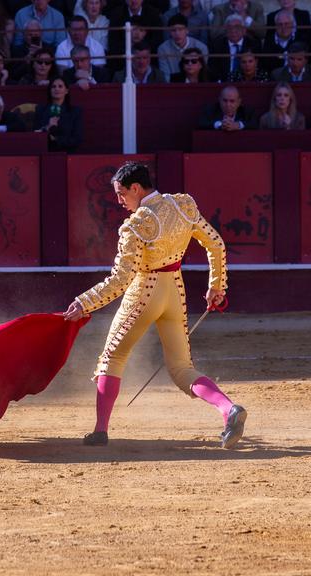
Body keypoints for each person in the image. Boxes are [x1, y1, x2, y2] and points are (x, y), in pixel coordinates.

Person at [63, 162, 246, 449]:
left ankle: (100, 431)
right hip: (174, 290)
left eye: (122, 193)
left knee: (112, 358)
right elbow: (216, 244)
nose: (119, 200)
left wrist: (84, 302)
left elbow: (121, 279)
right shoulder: (183, 205)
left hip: (144, 291)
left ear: (136, 188)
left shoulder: (136, 225)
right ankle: (228, 409)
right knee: (182, 367)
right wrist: (216, 286)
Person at [33, 77, 82, 152]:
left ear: (66, 91)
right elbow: (35, 134)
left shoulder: (75, 111)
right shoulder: (40, 110)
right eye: (53, 86)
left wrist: (56, 140)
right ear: (50, 90)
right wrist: (47, 127)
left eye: (60, 86)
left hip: (67, 153)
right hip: (45, 152)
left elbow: (77, 139)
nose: (57, 89)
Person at [210, 14, 261, 81]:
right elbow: (213, 69)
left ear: (244, 30)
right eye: (230, 28)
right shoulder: (217, 44)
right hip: (224, 82)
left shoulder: (254, 44)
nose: (233, 31)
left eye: (237, 27)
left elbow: (258, 67)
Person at [157, 14, 207, 80]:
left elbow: (202, 73)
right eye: (173, 30)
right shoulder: (163, 49)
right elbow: (166, 76)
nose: (177, 33)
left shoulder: (201, 47)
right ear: (169, 32)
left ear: (187, 30)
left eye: (180, 29)